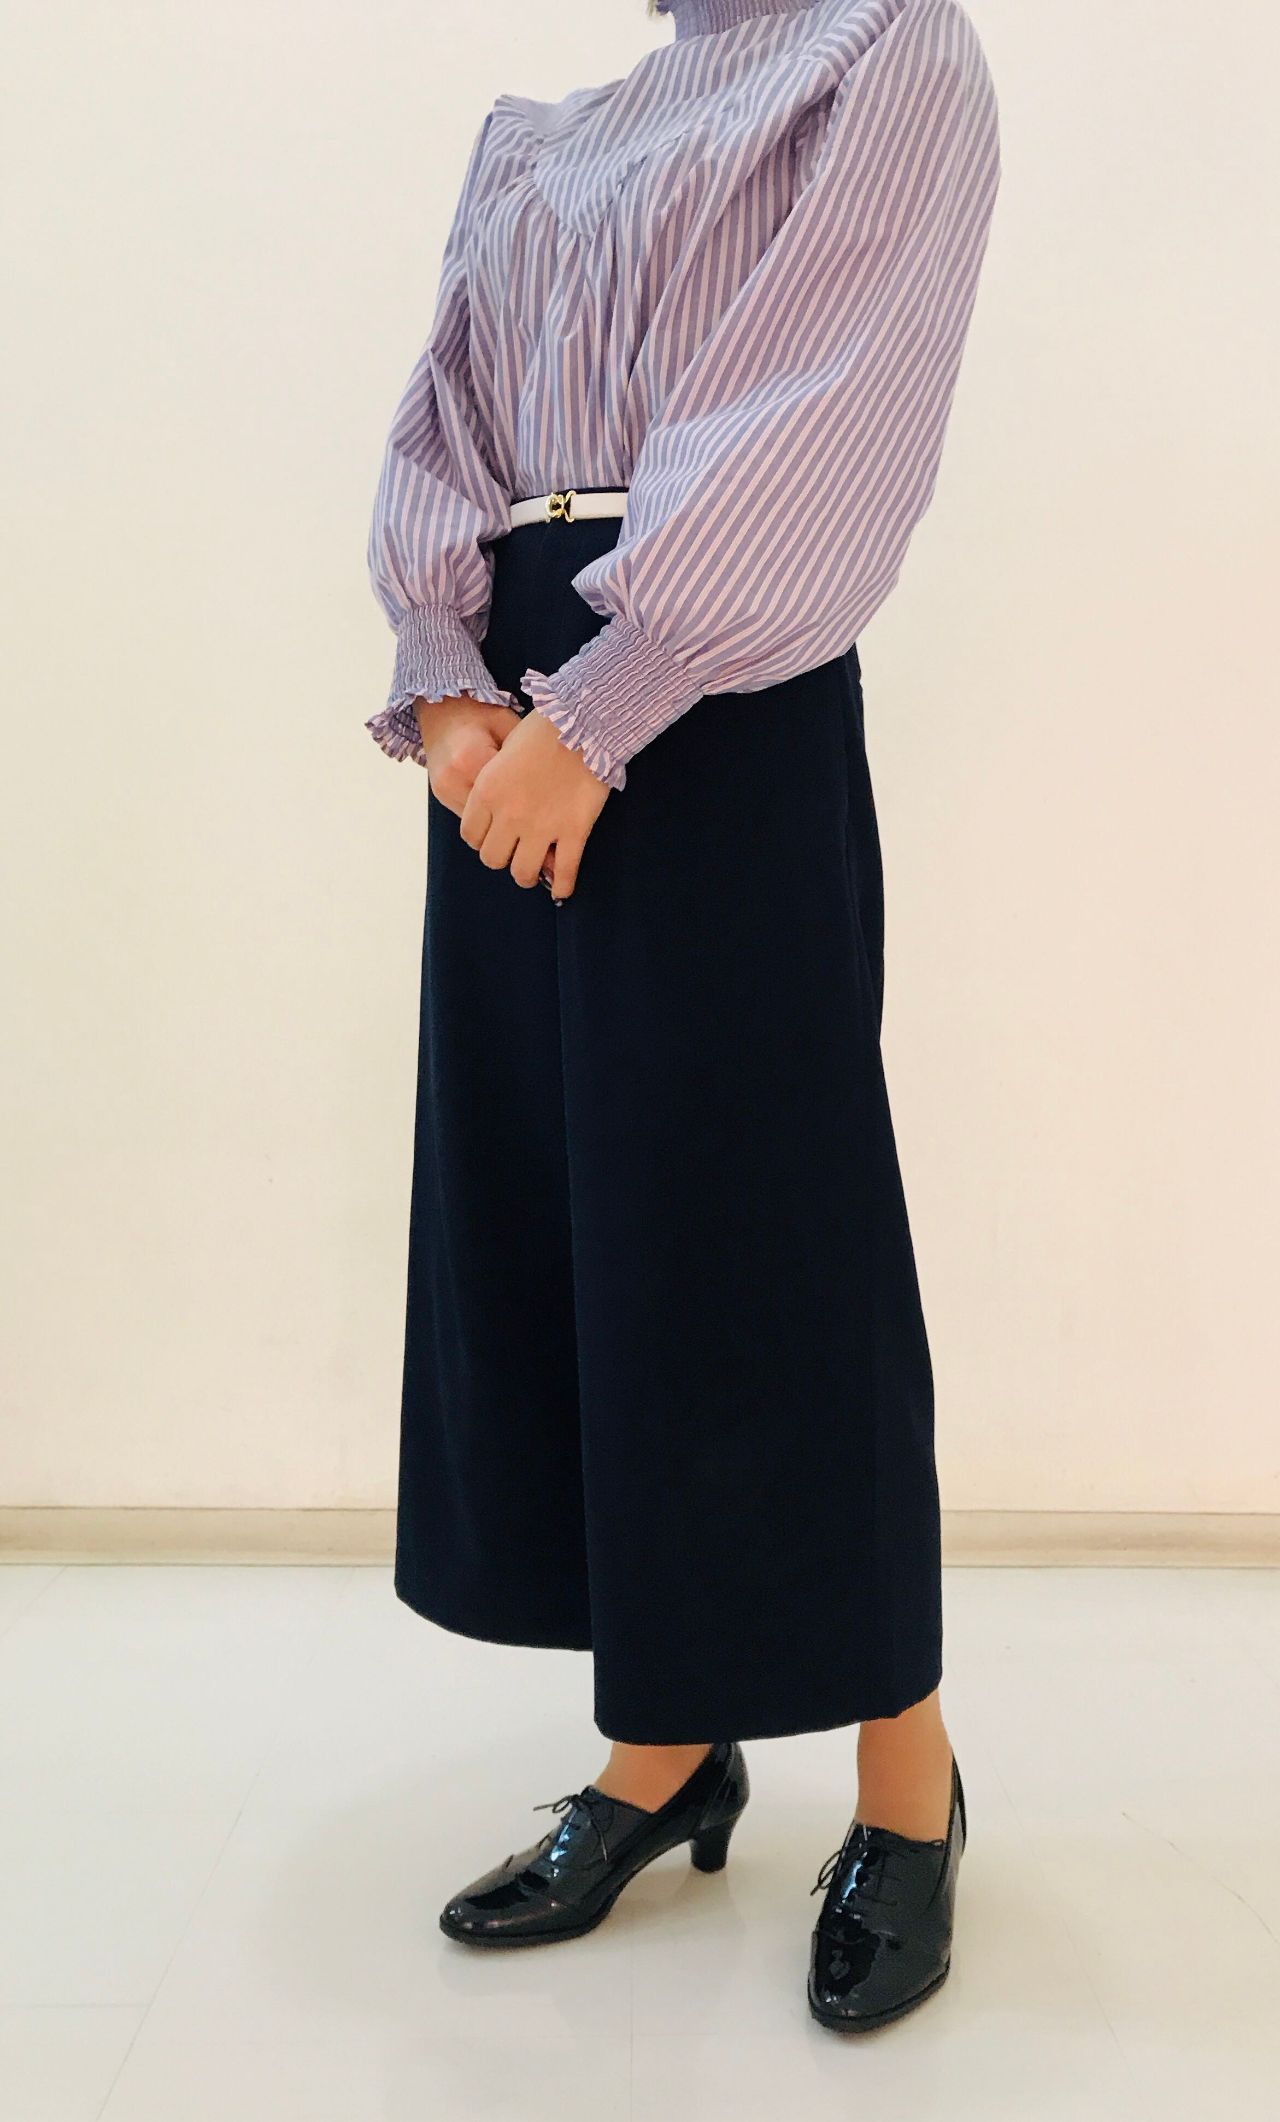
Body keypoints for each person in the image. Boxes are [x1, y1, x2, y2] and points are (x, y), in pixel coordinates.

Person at [365, 0, 1000, 2031]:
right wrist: (445, 675)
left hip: (706, 697)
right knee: (571, 1221)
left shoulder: (883, 50)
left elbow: (825, 403)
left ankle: (906, 1780)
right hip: (514, 720)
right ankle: (665, 1742)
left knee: (772, 1230)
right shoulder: (554, 130)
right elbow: (447, 417)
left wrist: (601, 710)